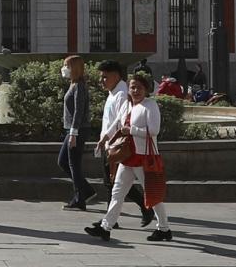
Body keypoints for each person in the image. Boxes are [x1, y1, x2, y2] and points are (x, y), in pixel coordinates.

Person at [86, 75, 171, 243]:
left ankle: (164, 229)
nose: (135, 91)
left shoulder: (150, 105)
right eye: (132, 87)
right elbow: (116, 123)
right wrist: (104, 138)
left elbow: (154, 130)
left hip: (144, 157)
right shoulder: (126, 104)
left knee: (152, 194)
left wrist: (131, 130)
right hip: (127, 156)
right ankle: (105, 227)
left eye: (139, 87)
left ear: (146, 89)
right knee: (117, 192)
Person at [92, 59, 148, 226]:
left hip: (118, 145)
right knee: (114, 182)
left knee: (116, 183)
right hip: (110, 144)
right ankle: (112, 220)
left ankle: (145, 208)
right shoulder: (114, 93)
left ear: (116, 76)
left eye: (104, 77)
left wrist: (108, 138)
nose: (101, 80)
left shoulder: (123, 93)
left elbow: (121, 120)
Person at [57, 55, 94, 209]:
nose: (64, 69)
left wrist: (73, 133)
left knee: (72, 164)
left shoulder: (79, 86)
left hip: (77, 130)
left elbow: (79, 111)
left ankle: (80, 198)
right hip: (72, 129)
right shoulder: (73, 85)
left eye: (67, 66)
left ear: (74, 68)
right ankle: (86, 191)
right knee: (64, 162)